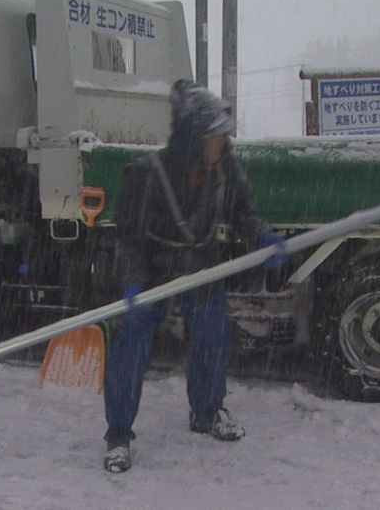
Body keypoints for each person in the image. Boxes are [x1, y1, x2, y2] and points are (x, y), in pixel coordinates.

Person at [102, 80, 285, 473]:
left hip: (201, 261)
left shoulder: (226, 170)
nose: (220, 142)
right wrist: (134, 280)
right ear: (192, 137)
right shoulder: (149, 175)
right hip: (153, 265)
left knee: (211, 331)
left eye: (222, 135)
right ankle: (118, 434)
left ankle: (206, 411)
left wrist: (261, 237)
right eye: (213, 135)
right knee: (132, 339)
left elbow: (244, 212)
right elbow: (129, 237)